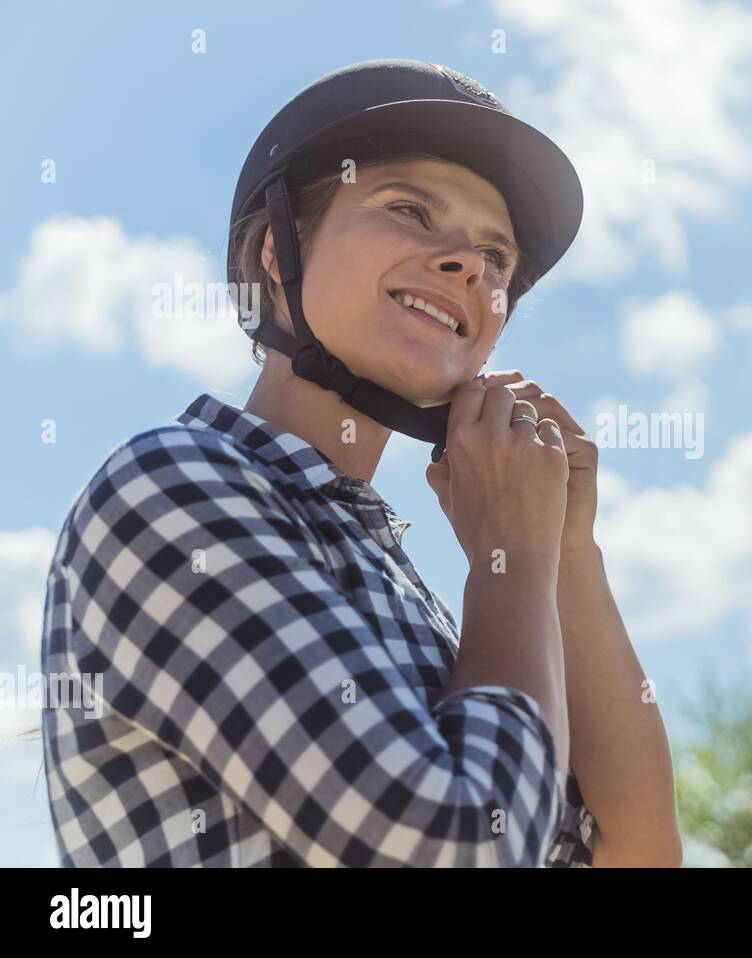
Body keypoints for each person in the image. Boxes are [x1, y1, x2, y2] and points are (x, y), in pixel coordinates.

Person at [39, 60, 681, 867]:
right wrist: (510, 555)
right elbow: (454, 850)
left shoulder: (410, 591)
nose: (470, 266)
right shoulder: (170, 488)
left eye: (497, 257)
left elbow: (641, 853)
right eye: (410, 209)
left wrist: (563, 551)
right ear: (277, 249)